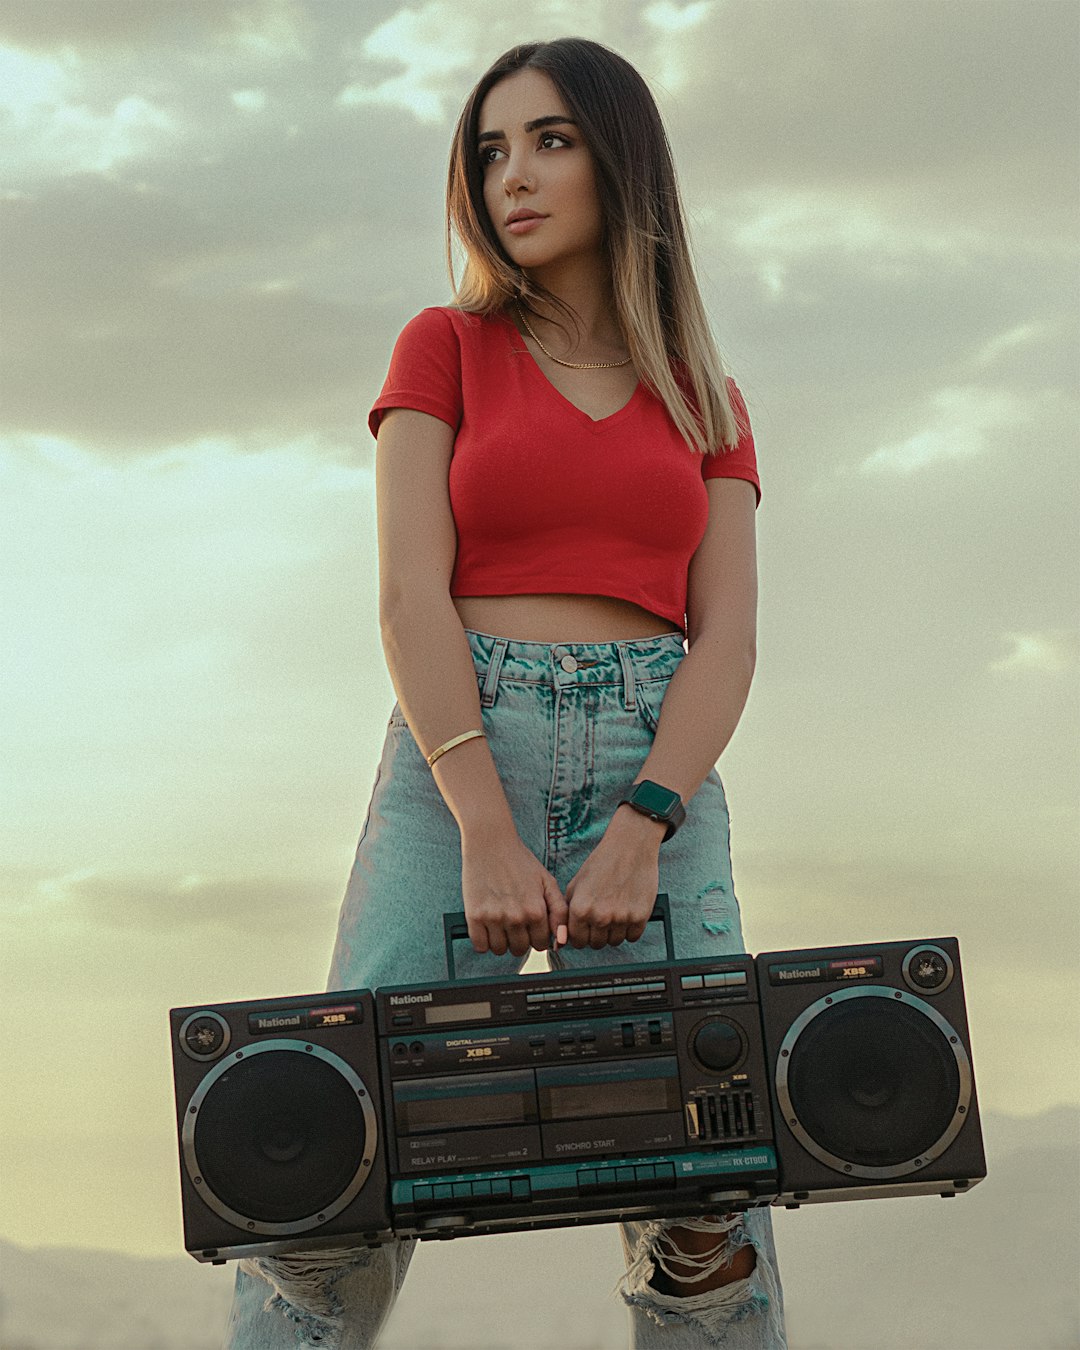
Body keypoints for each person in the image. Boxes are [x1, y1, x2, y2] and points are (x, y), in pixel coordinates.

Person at [224, 35, 785, 1350]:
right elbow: (411, 598)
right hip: (461, 744)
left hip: (661, 758)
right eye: (488, 150)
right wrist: (481, 819)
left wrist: (643, 823)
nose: (511, 176)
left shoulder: (707, 396)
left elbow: (732, 638)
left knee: (702, 1196)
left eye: (549, 140)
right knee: (336, 1174)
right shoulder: (446, 348)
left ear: (620, 160)